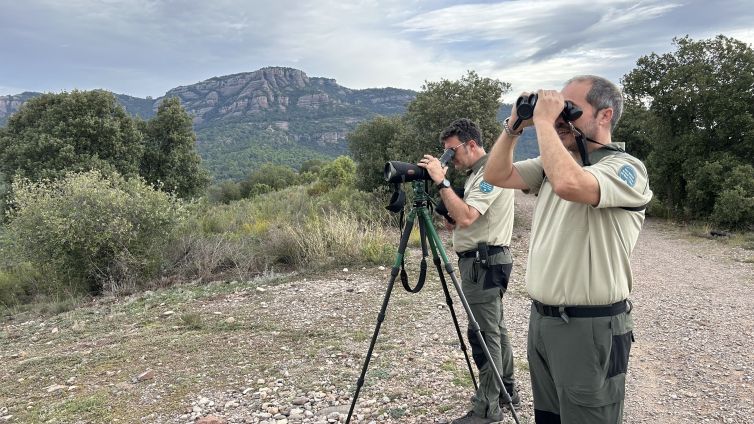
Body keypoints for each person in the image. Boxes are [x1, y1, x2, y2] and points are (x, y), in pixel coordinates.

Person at [484, 75, 653, 423]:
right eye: (557, 107)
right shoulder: (553, 164)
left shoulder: (625, 168)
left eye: (569, 110)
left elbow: (568, 184)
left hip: (590, 327)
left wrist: (545, 121)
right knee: (549, 417)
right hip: (543, 321)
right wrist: (515, 125)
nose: (560, 117)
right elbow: (496, 175)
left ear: (604, 116)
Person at [418, 118, 520, 424]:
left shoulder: (489, 174)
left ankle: (487, 408)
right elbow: (458, 218)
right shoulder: (479, 174)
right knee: (496, 330)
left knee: (484, 335)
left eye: (452, 151)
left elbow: (466, 218)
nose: (450, 158)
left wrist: (441, 181)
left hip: (484, 263)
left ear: (471, 144)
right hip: (483, 261)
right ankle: (507, 390)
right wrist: (446, 200)